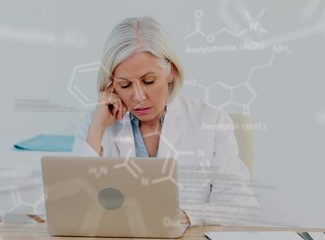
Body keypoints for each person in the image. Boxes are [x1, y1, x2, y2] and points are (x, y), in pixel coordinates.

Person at [72, 16, 259, 226]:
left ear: (170, 71)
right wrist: (97, 128)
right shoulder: (96, 125)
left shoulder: (211, 121)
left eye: (148, 81)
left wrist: (187, 216)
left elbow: (240, 204)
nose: (139, 96)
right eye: (125, 85)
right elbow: (73, 205)